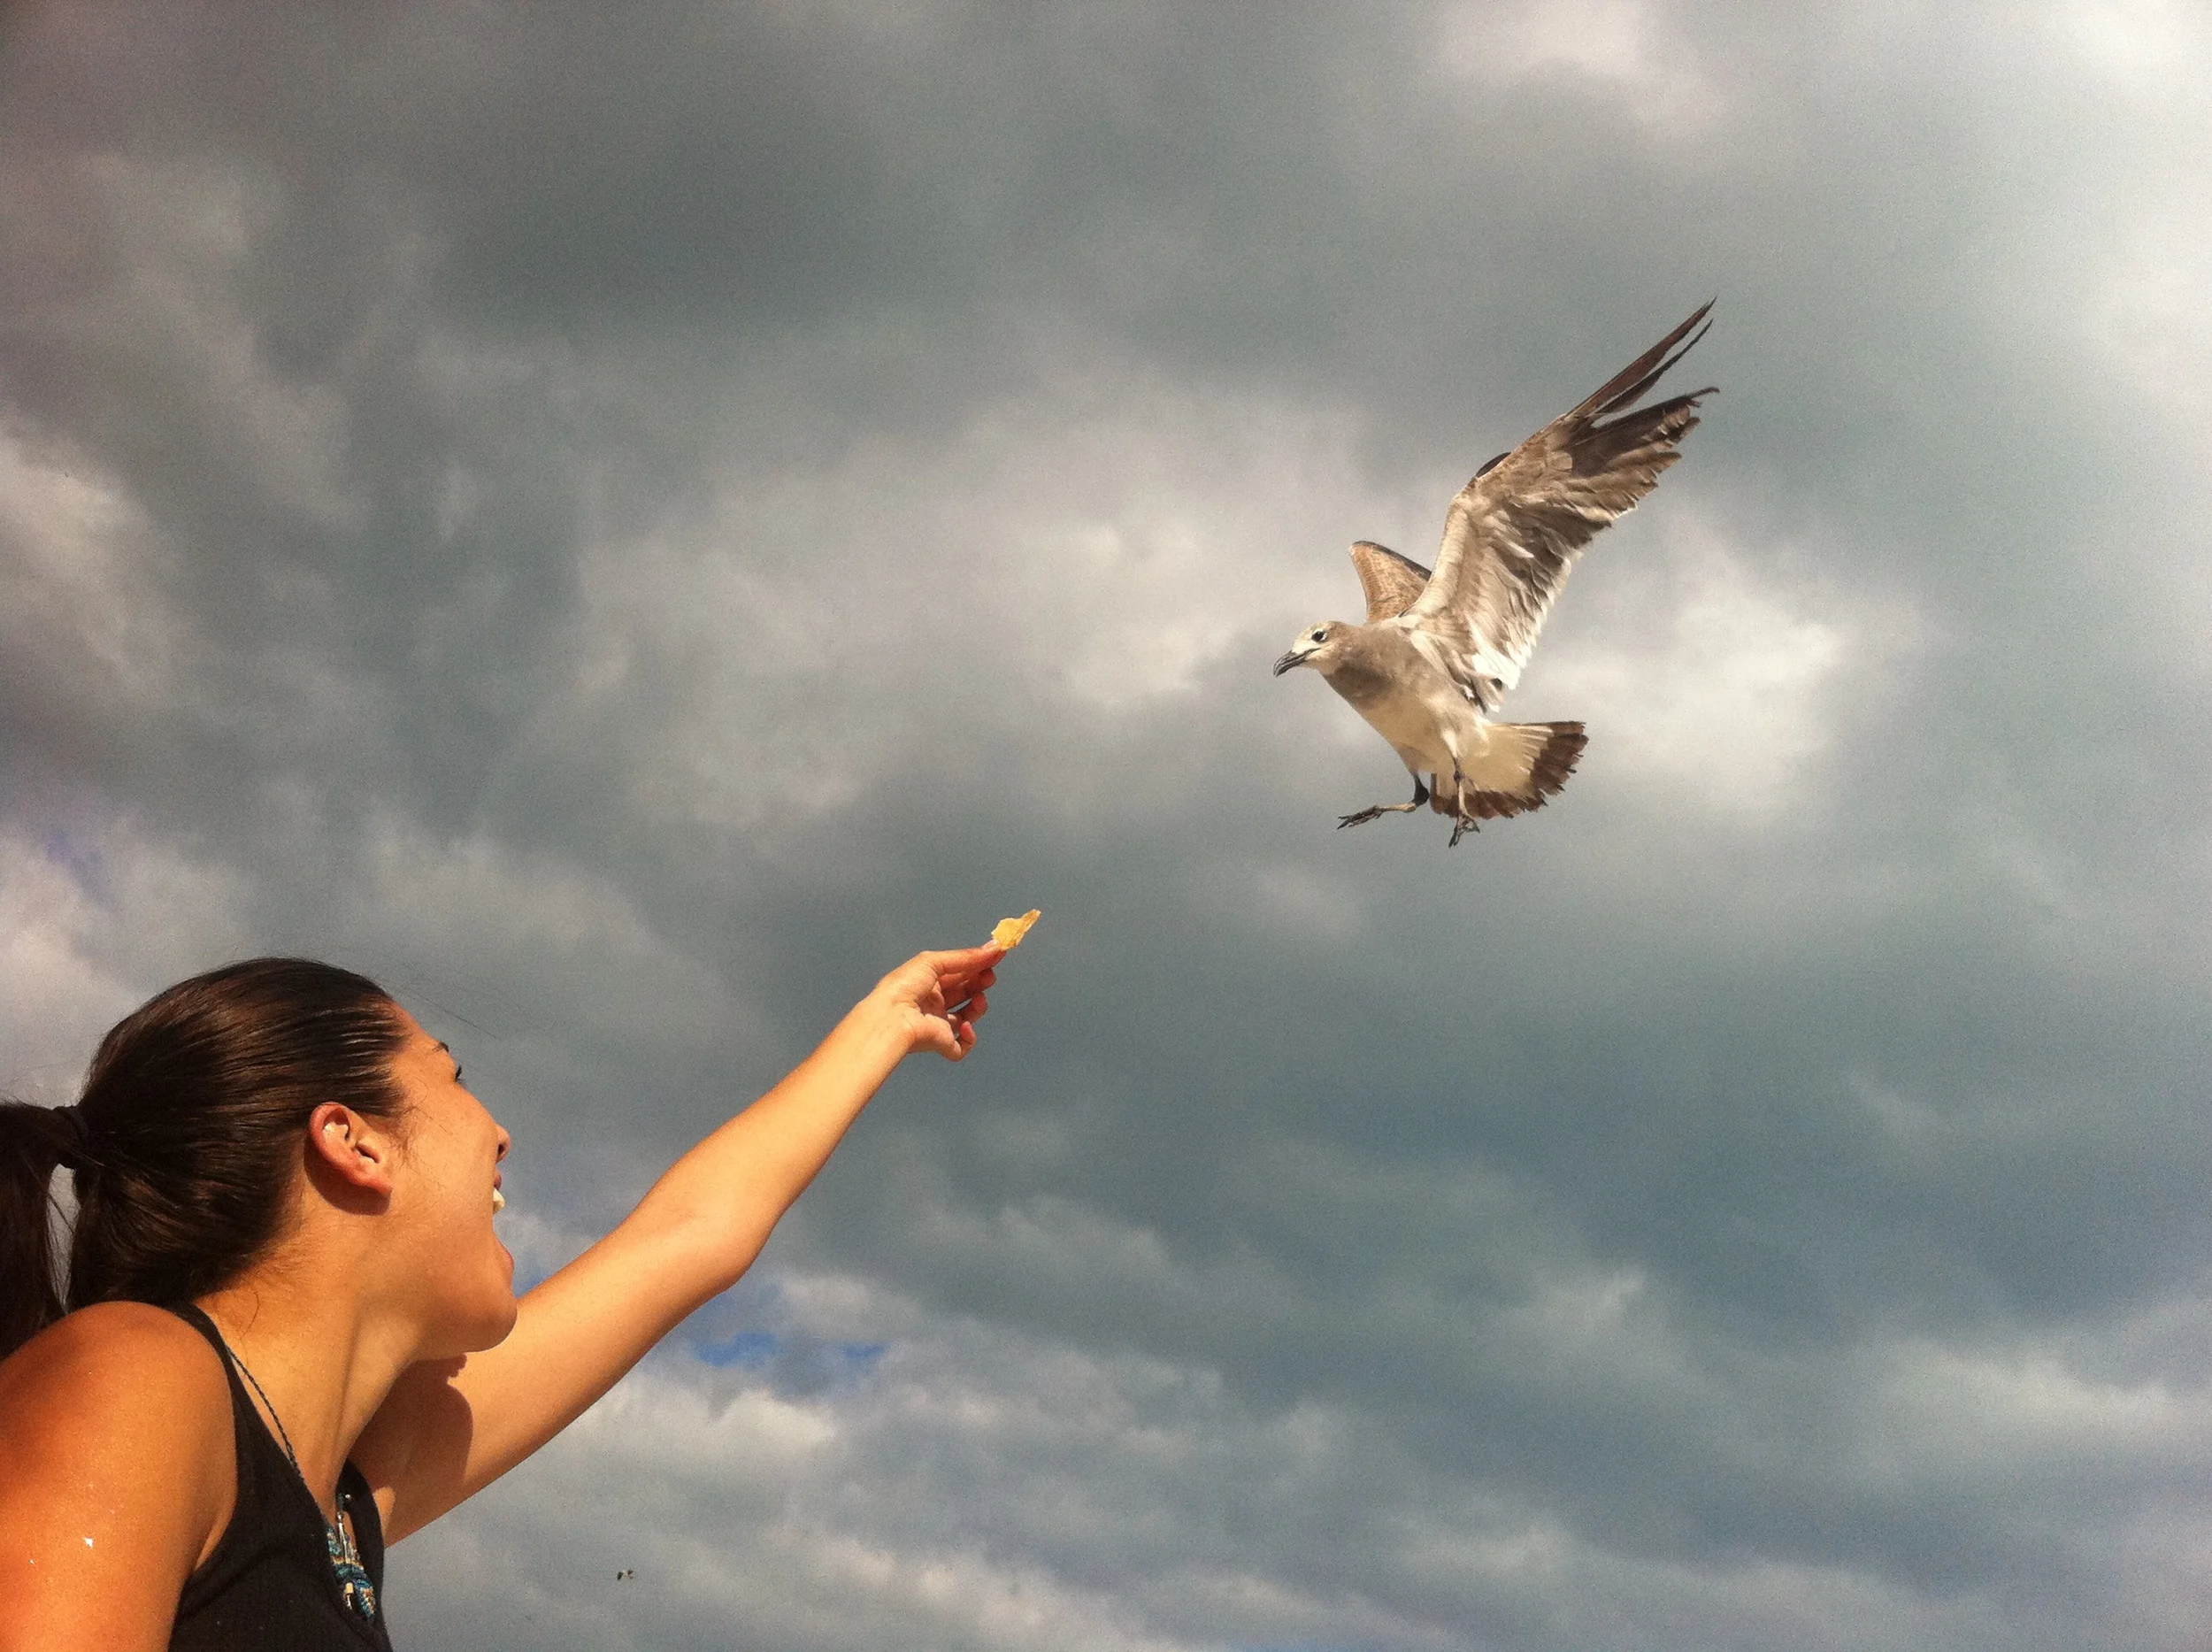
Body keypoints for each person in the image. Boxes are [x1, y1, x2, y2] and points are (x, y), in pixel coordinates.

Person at [0, 944, 1000, 1649]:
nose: (498, 1132)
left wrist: (885, 1024)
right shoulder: (134, 1377)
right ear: (354, 1142)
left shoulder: (343, 1500)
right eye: (452, 1075)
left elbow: (687, 1239)